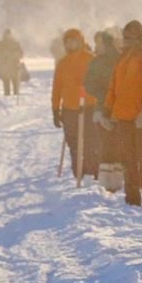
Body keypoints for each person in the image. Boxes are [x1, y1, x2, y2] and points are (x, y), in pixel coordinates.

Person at [103, 20, 142, 207]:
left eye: (129, 36)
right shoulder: (124, 58)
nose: (126, 39)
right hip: (123, 118)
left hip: (141, 118)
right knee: (127, 161)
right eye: (125, 36)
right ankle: (132, 199)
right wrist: (107, 109)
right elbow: (113, 87)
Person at [51, 28, 98, 179]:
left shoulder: (91, 59)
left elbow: (99, 83)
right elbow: (57, 88)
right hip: (69, 108)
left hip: (89, 107)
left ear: (80, 42)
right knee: (73, 142)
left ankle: (91, 171)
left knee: (90, 142)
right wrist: (55, 109)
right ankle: (78, 171)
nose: (71, 44)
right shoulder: (62, 64)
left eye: (74, 41)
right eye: (68, 42)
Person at [84, 30, 123, 192]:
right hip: (122, 109)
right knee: (118, 143)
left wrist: (102, 93)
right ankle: (118, 180)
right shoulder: (123, 59)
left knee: (106, 143)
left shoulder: (97, 62)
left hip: (102, 108)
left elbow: (88, 84)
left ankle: (107, 182)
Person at [0, 29, 23, 96]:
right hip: (5, 67)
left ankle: (15, 96)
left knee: (15, 84)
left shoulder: (16, 43)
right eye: (7, 34)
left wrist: (16, 54)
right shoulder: (0, 43)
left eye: (9, 34)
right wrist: (3, 54)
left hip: (14, 66)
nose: (8, 36)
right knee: (6, 84)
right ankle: (7, 98)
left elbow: (21, 54)